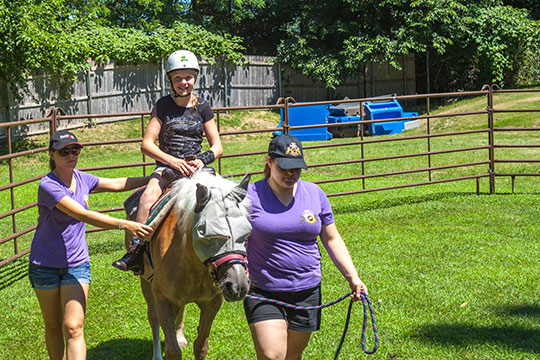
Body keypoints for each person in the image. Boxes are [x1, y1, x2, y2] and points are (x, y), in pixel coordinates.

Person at [28, 130, 153, 360]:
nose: (71, 155)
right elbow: (83, 215)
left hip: (76, 264)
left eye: (75, 149)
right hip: (44, 264)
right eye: (64, 151)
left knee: (74, 326)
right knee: (53, 325)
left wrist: (154, 179)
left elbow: (116, 183)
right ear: (52, 154)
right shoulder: (48, 185)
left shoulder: (82, 178)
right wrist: (123, 224)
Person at [243, 134, 368, 360]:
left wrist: (353, 277)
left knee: (293, 356)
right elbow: (232, 236)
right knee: (273, 356)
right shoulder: (249, 196)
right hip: (263, 290)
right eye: (285, 167)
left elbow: (331, 239)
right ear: (270, 162)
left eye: (296, 168)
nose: (291, 174)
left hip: (307, 290)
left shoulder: (314, 193)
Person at [112, 49, 223, 272]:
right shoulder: (162, 106)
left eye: (188, 77)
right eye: (178, 78)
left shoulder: (203, 106)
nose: (184, 82)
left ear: (195, 78)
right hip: (167, 167)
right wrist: (173, 162)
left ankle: (230, 247)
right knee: (147, 197)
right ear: (170, 80)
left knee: (224, 196)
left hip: (196, 167)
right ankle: (137, 249)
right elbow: (147, 144)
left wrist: (201, 160)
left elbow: (217, 146)